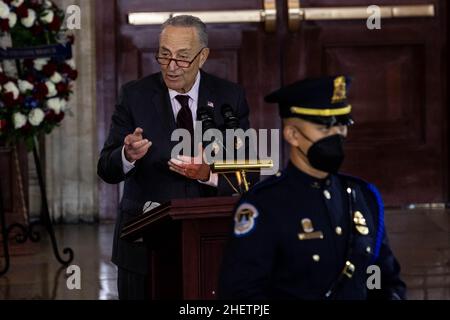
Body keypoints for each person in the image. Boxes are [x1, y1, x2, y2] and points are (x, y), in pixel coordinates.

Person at [97, 15, 252, 300]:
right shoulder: (134, 96)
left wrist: (208, 174)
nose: (171, 66)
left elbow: (248, 176)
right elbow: (106, 168)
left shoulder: (230, 97)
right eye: (164, 55)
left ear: (203, 57)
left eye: (182, 58)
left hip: (211, 241)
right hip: (144, 243)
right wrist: (127, 155)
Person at [218, 75, 406, 300]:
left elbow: (380, 278)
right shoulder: (265, 205)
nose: (337, 135)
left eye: (342, 124)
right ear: (293, 135)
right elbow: (242, 297)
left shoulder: (362, 196)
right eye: (325, 128)